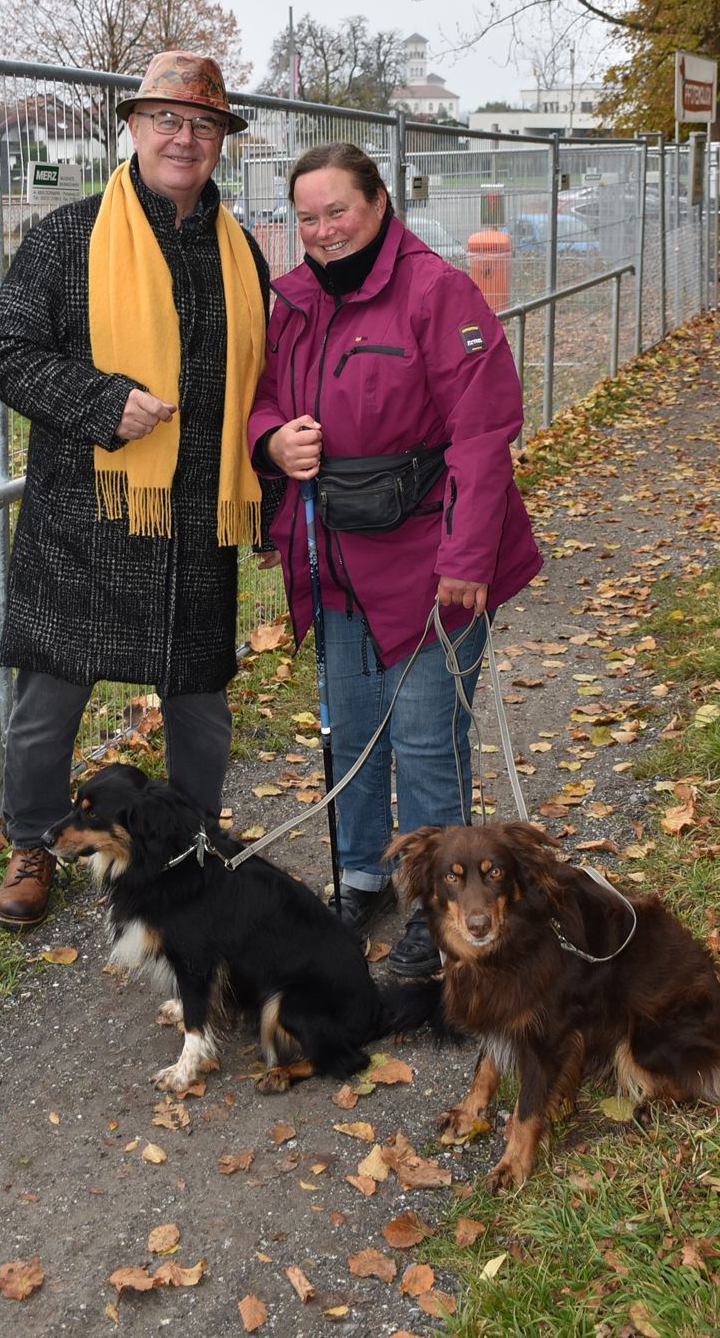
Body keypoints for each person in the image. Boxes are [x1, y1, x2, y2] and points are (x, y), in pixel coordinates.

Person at [0, 52, 269, 929]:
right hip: (87, 515)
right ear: (134, 128)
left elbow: (263, 381)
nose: (185, 138)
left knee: (201, 707)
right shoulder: (66, 237)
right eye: (167, 119)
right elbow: (5, 352)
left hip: (195, 522)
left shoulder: (240, 251)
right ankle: (34, 842)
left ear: (221, 140)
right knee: (47, 707)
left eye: (204, 124)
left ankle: (191, 843)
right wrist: (103, 402)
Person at [248, 143, 542, 977]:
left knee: (424, 738)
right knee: (351, 732)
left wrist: (467, 556)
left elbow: (483, 431)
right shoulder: (293, 302)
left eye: (337, 210)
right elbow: (262, 398)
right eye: (308, 217)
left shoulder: (437, 293)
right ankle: (362, 875)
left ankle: (439, 911)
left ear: (378, 204)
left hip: (429, 558)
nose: (323, 230)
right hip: (335, 559)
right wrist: (272, 440)